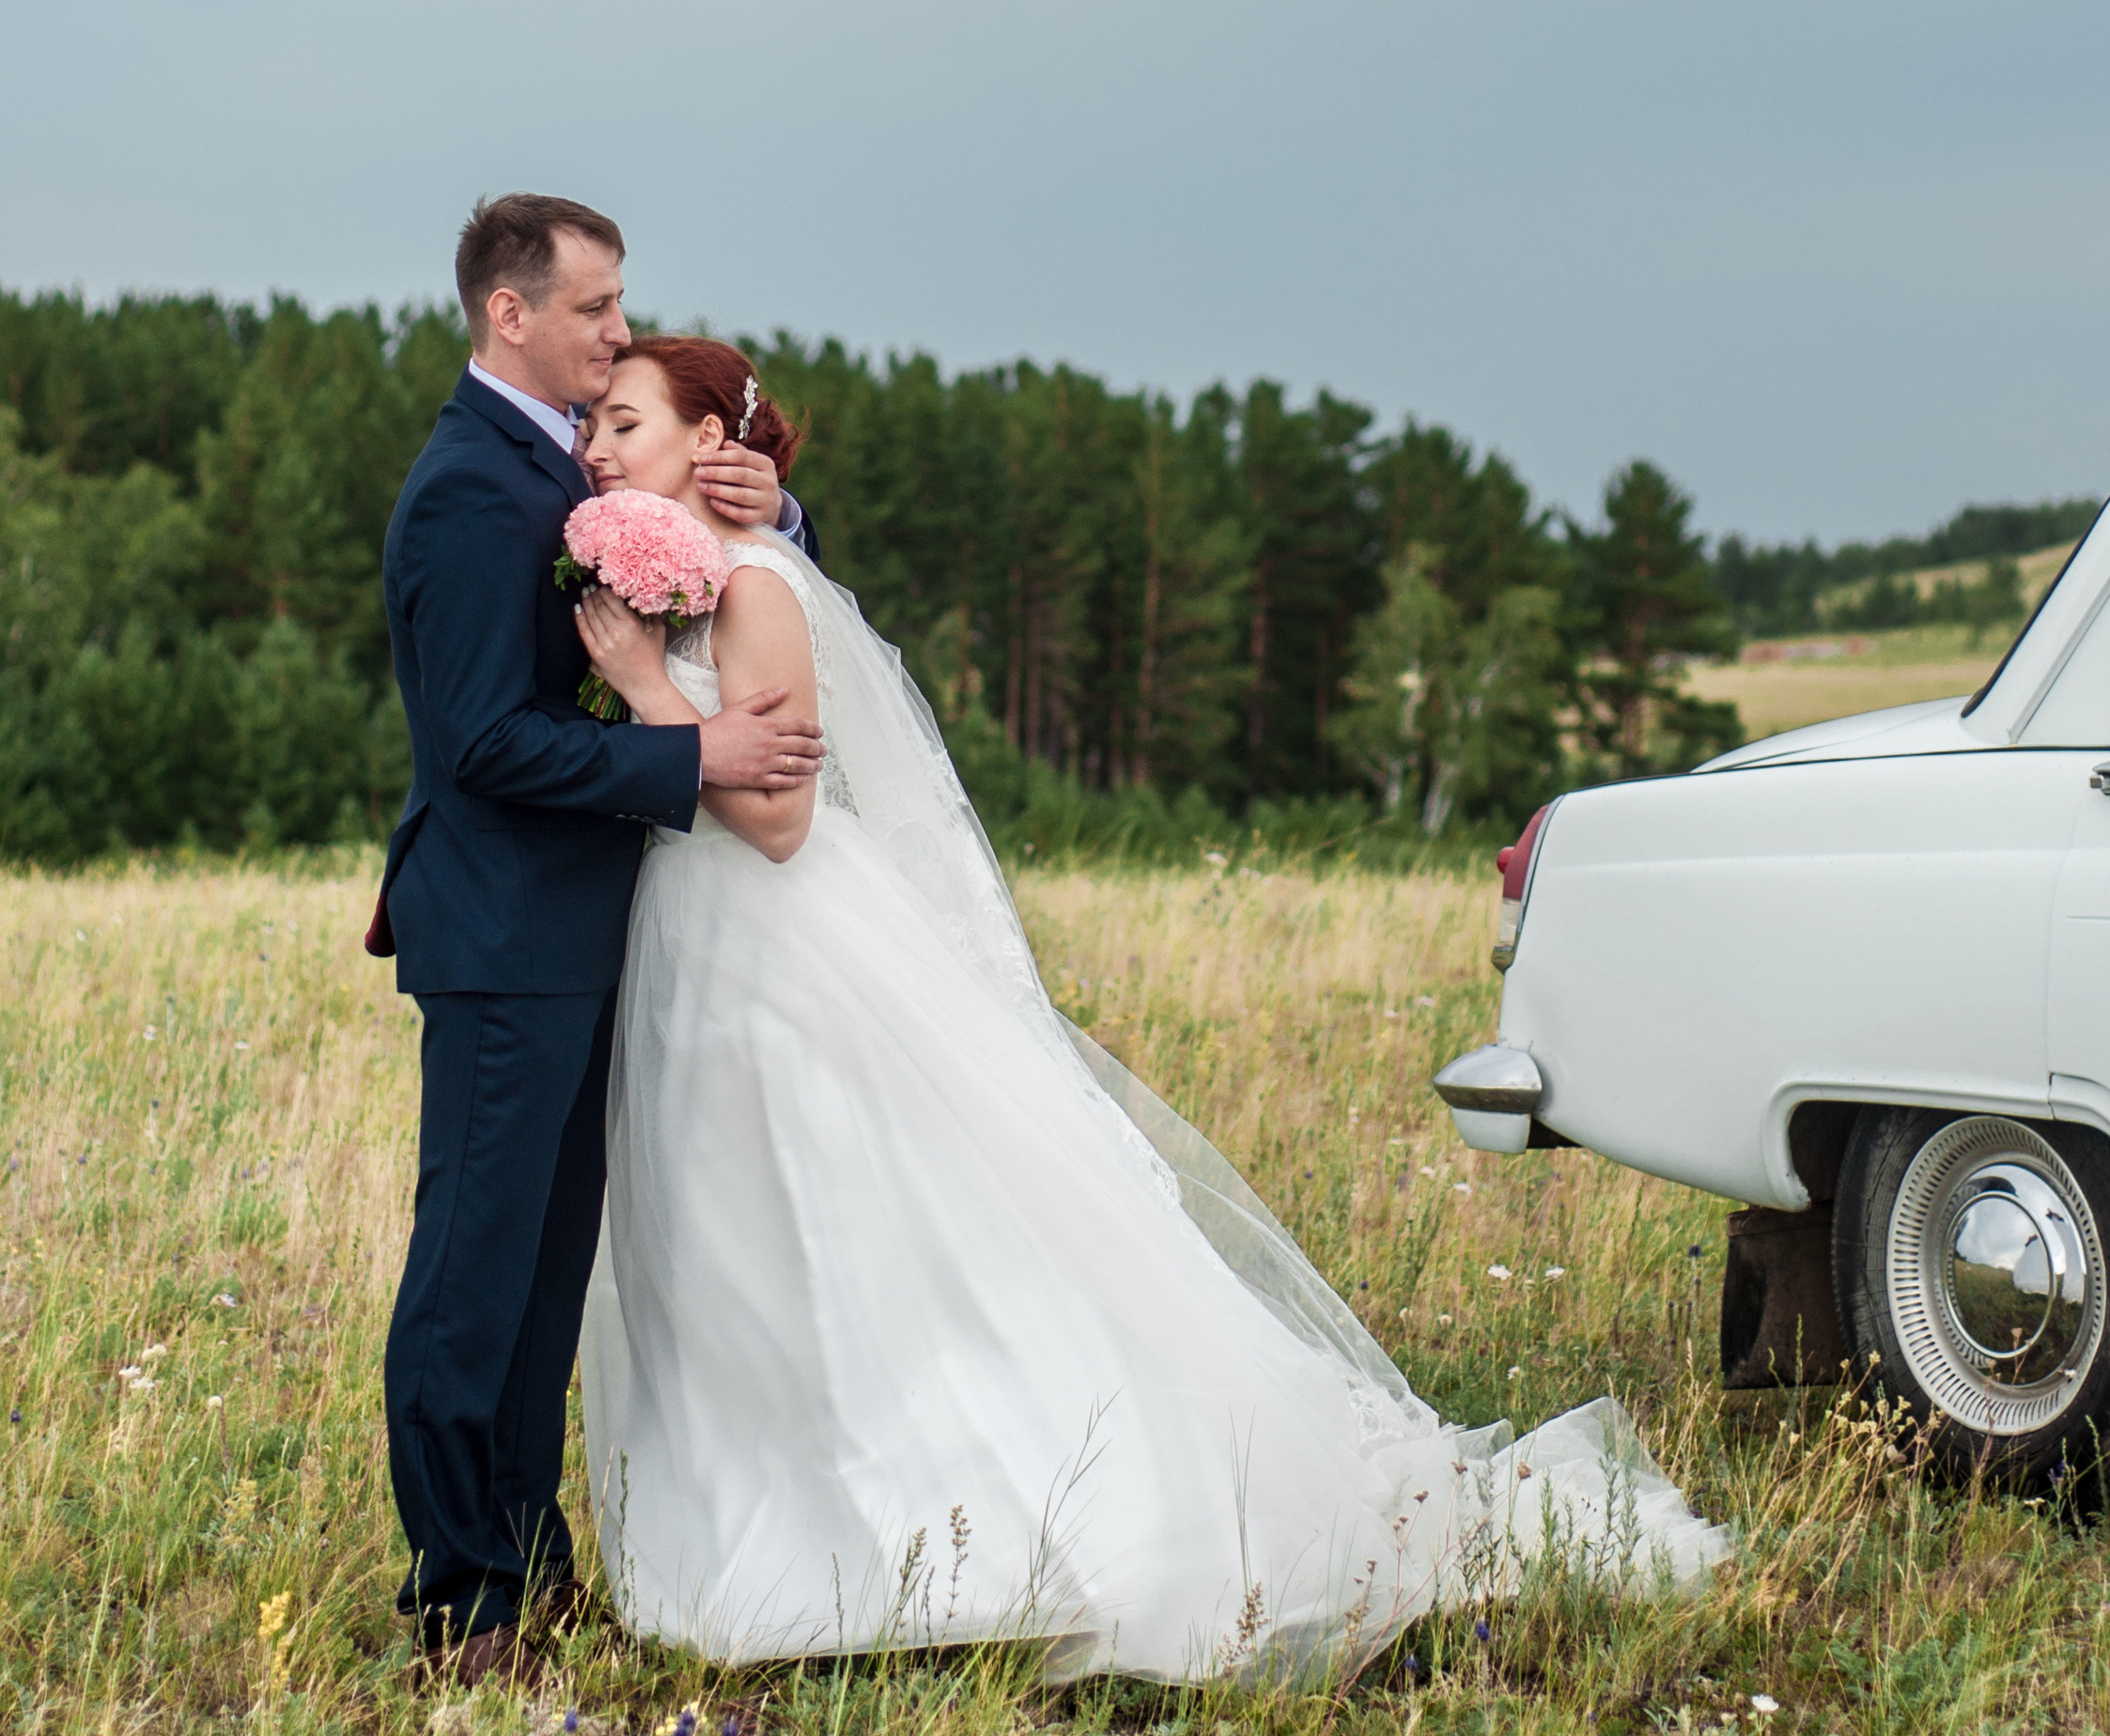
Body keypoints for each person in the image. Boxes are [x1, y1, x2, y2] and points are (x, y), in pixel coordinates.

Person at [570, 335, 1729, 1683]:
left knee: (851, 1227)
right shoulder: (655, 575)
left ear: (715, 443)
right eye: (591, 420)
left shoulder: (757, 584)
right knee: (734, 1244)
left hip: (778, 940)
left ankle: (935, 1535)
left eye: (624, 422)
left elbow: (776, 821)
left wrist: (649, 689)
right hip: (693, 950)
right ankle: (762, 1534)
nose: (594, 443)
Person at [375, 194, 830, 1682]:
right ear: (510, 314)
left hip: (584, 938)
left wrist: (779, 516)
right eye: (594, 309)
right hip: (506, 935)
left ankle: (524, 1558)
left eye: (621, 306)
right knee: (475, 1271)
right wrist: (687, 760)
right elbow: (481, 745)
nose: (618, 332)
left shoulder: (560, 462)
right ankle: (460, 1602)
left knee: (543, 1278)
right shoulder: (466, 488)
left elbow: (714, 568)